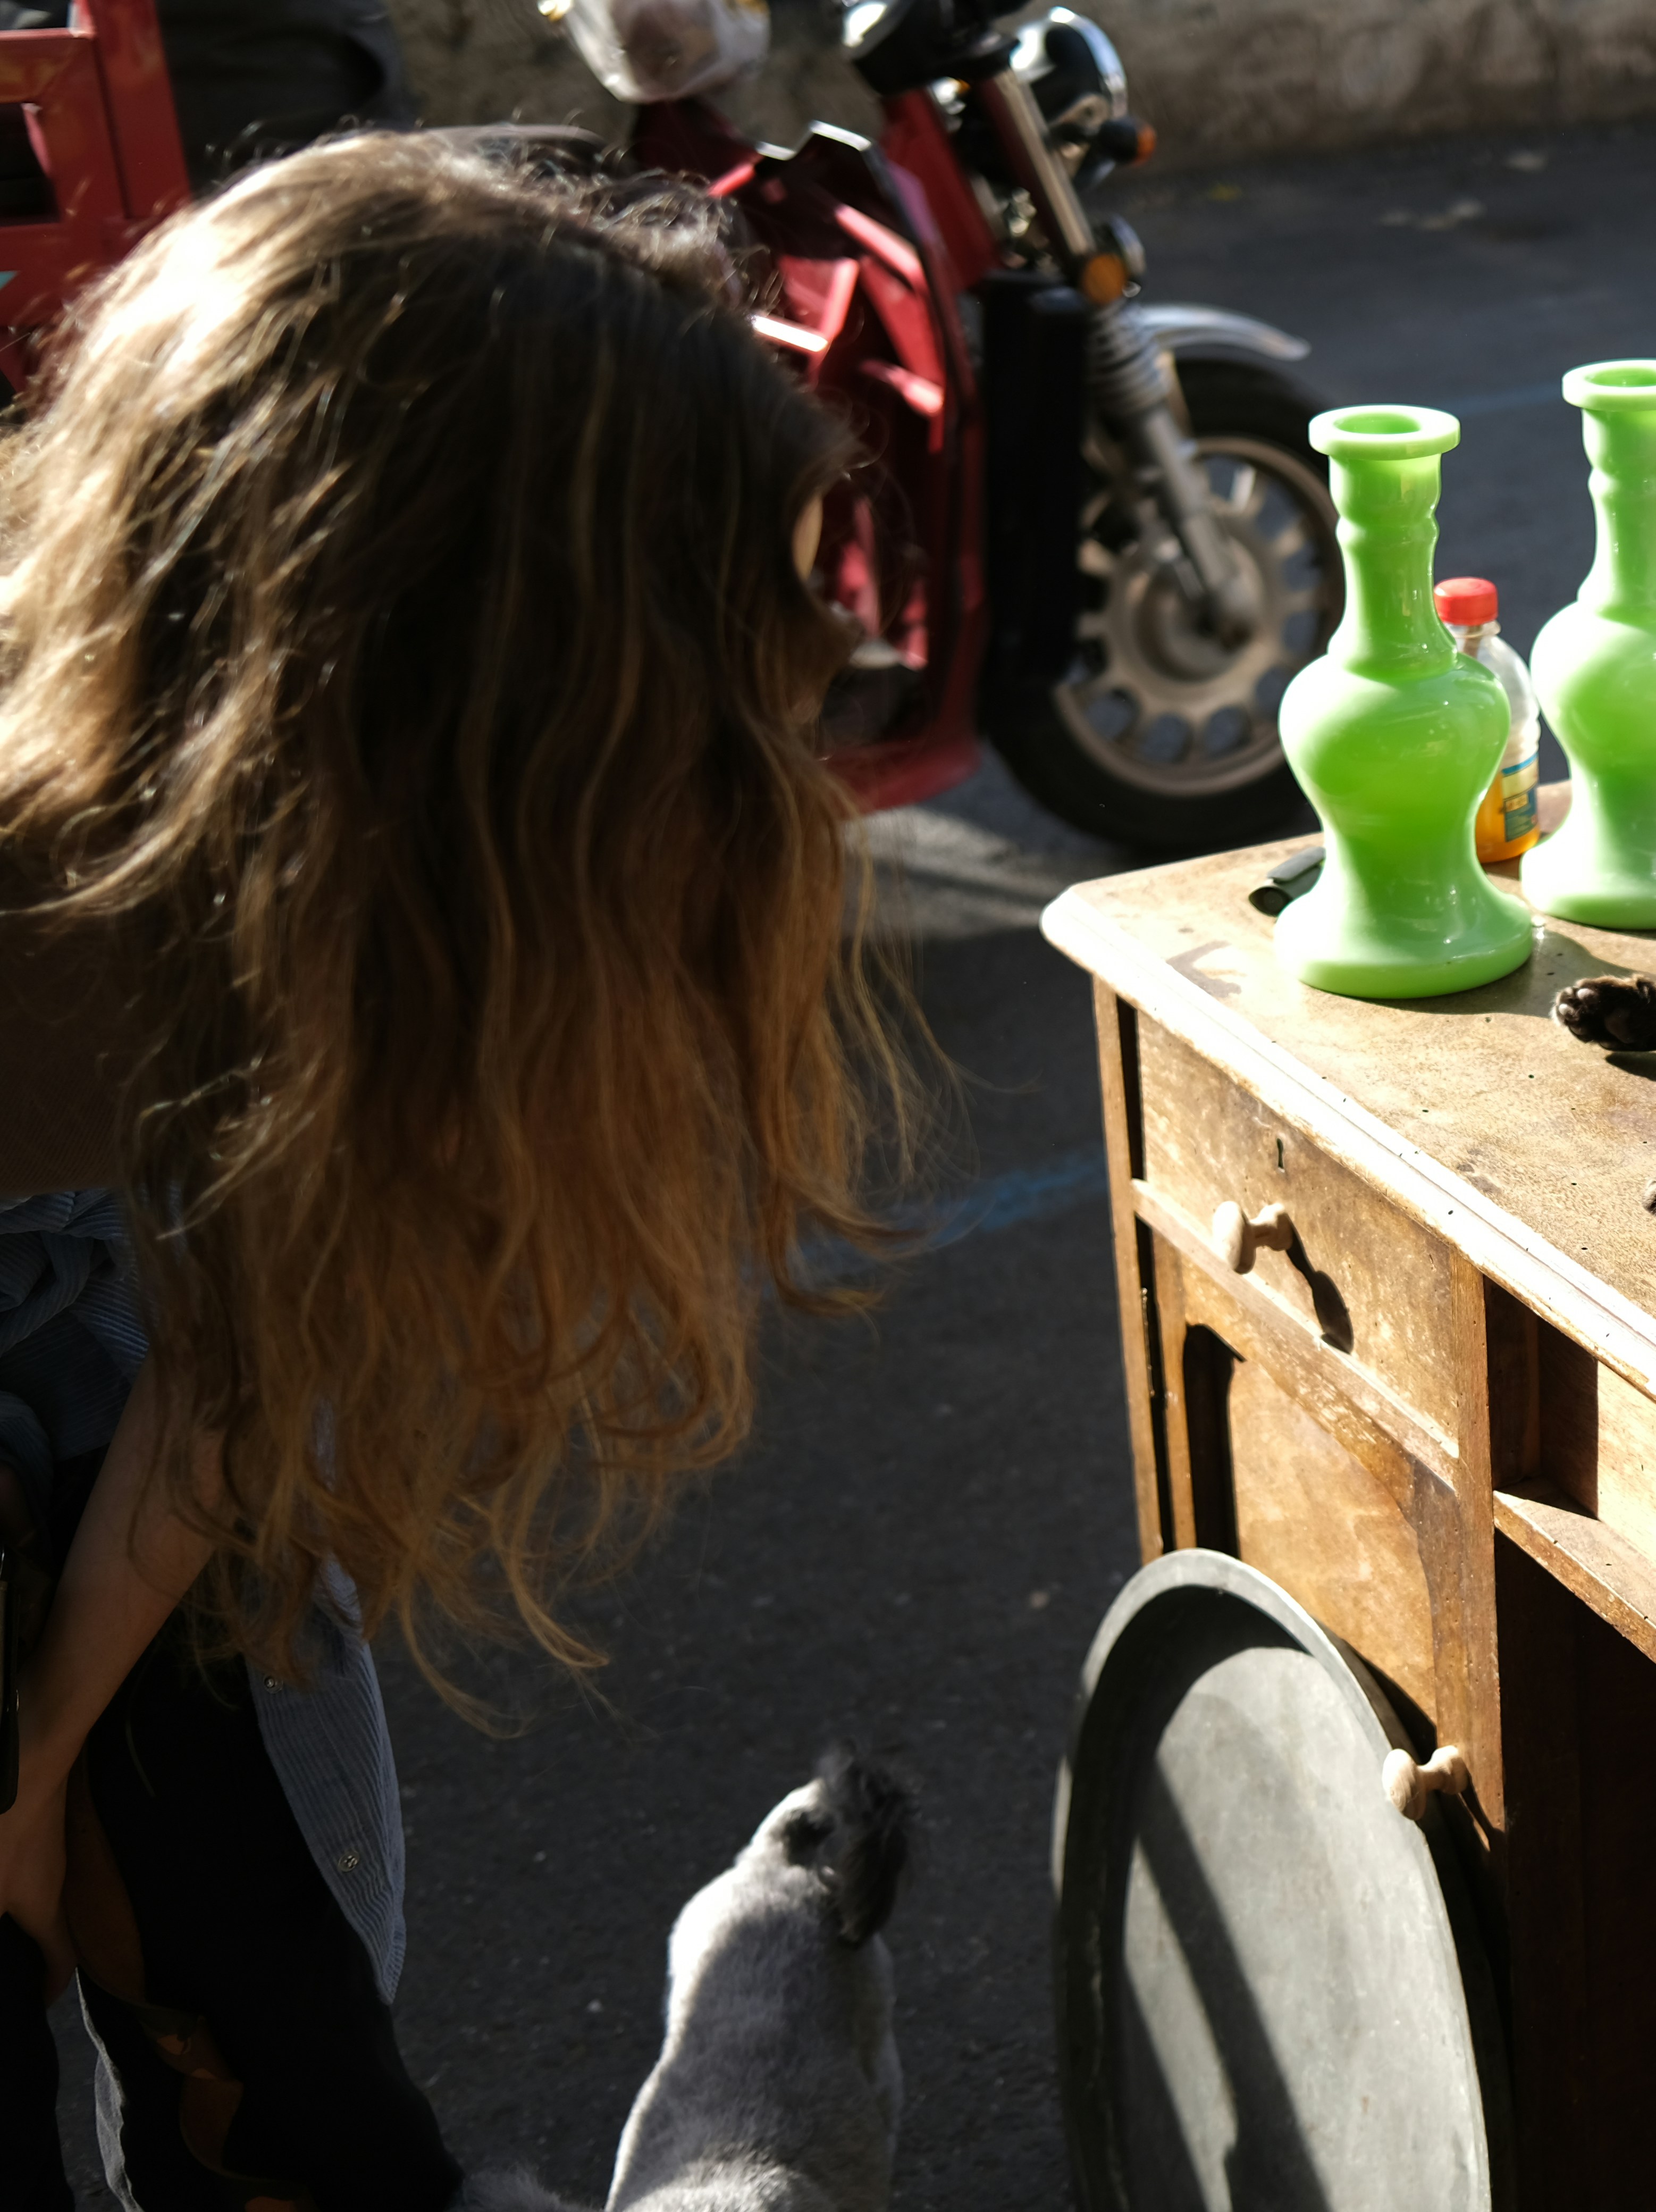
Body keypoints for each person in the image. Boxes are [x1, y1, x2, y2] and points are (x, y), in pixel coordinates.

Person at [0, 133, 907, 2205]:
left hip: (106, 1352)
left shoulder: (317, 914)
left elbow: (237, 1346)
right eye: (668, 710)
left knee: (288, 2040)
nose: (752, 778)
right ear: (415, 698)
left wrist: (46, 1749)